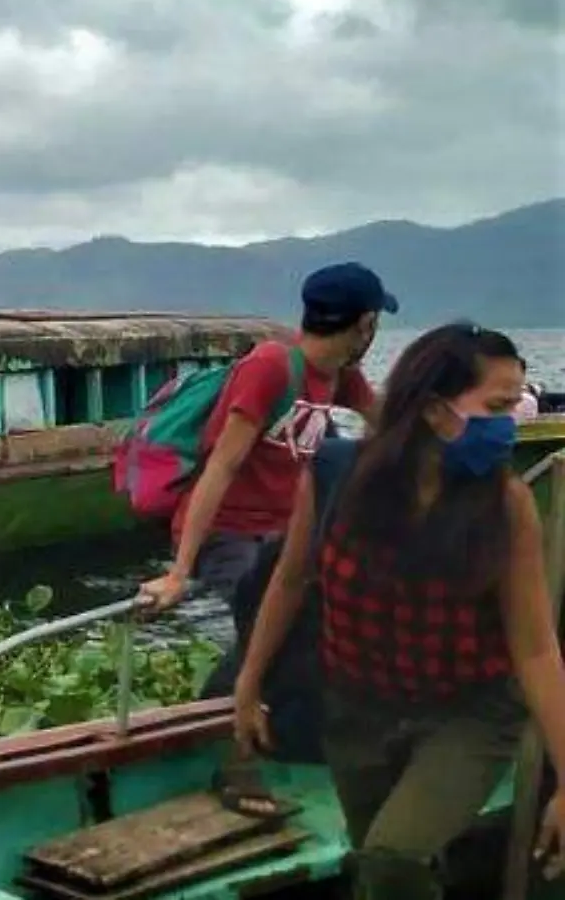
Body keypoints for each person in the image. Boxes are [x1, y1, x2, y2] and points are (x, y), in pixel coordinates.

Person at [232, 323, 565, 899]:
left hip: (468, 715)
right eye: (497, 407)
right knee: (379, 867)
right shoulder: (337, 475)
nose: (511, 424)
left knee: (391, 858)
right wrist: (248, 681)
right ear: (435, 411)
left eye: (516, 405)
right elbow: (289, 581)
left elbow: (535, 648)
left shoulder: (504, 505)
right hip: (357, 710)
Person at [136, 261, 388, 815]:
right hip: (227, 530)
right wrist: (180, 571)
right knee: (265, 621)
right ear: (365, 324)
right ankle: (224, 752)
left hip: (282, 531)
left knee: (320, 611)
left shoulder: (340, 377)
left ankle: (295, 732)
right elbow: (221, 467)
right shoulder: (272, 366)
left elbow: (387, 423)